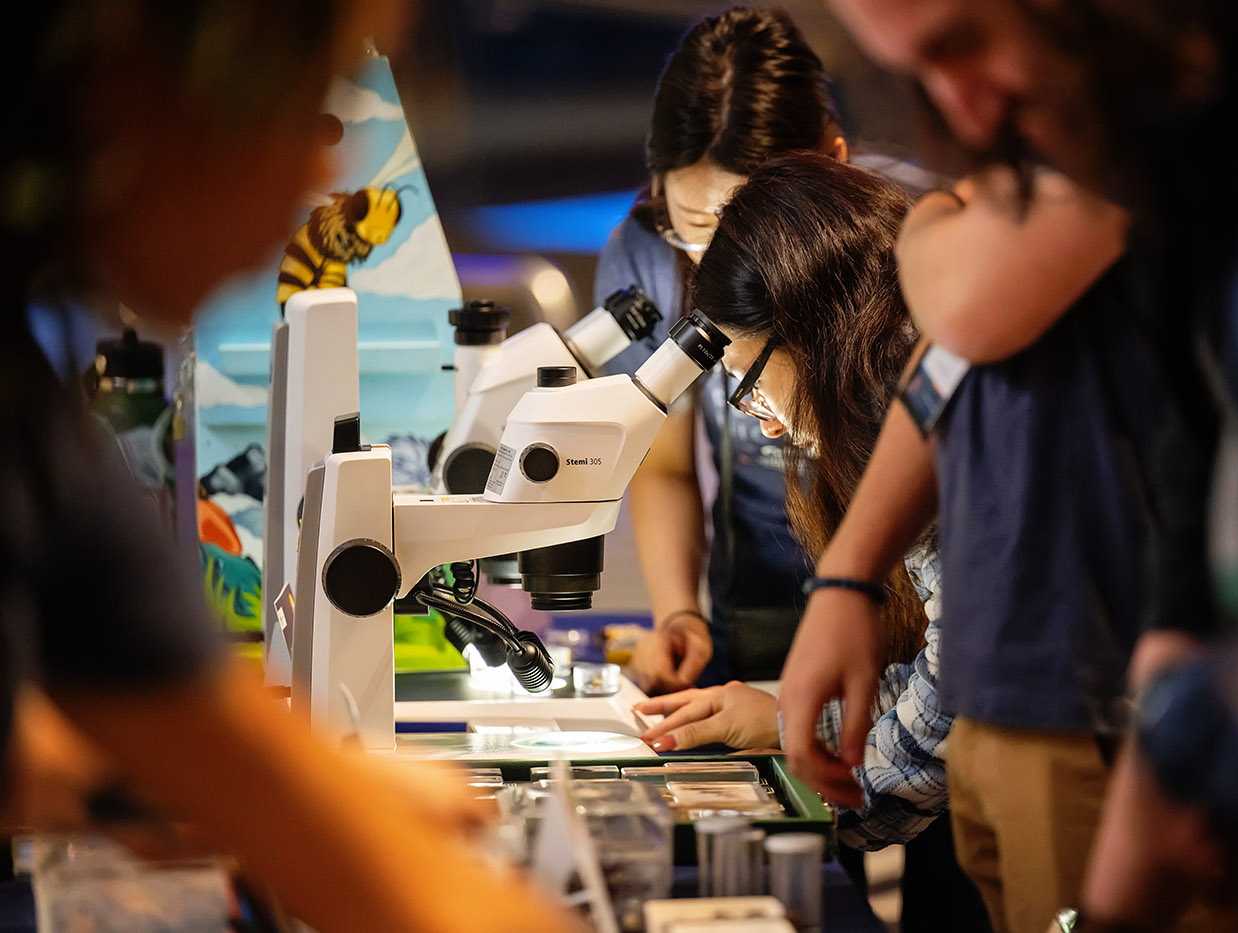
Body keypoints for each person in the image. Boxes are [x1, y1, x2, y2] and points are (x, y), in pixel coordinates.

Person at [799, 0, 1238, 928]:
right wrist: (847, 578)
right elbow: (1197, 452)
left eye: (965, 44)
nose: (964, 114)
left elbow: (970, 308)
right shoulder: (1142, 146)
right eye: (920, 76)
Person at [1, 3, 582, 930]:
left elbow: (158, 721)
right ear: (138, 86)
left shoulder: (32, 417)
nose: (324, 172)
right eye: (305, 108)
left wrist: (188, 792)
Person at [638, 152, 991, 931]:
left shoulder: (941, 413)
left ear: (806, 323)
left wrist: (793, 737)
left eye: (750, 378)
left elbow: (948, 708)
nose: (758, 416)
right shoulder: (903, 389)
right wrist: (779, 721)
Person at [596, 7, 853, 695]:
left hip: (904, 628)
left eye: (745, 224)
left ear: (832, 168)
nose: (716, 269)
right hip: (756, 618)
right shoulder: (644, 260)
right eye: (694, 230)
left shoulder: (901, 248)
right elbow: (666, 460)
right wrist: (680, 611)